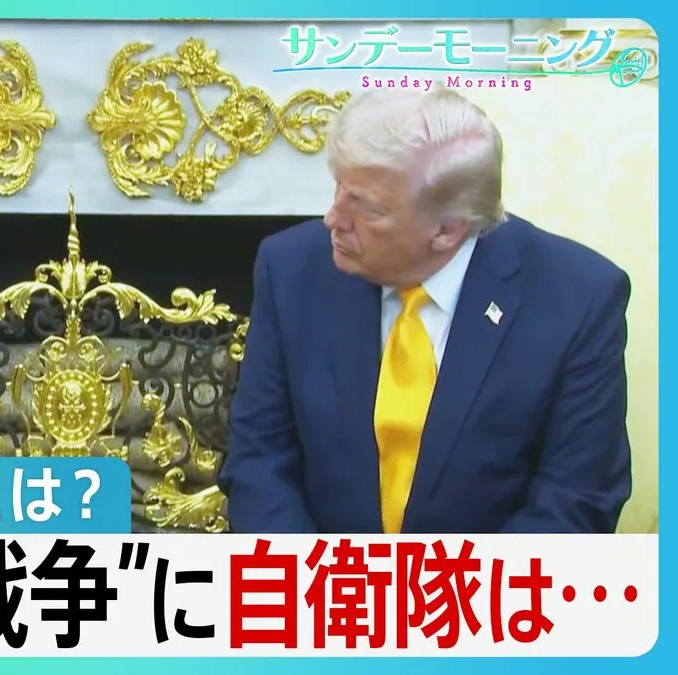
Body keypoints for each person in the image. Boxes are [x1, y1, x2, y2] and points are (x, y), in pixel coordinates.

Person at [219, 86, 631, 534]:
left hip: (481, 577)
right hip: (320, 573)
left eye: (367, 208)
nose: (333, 219)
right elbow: (259, 460)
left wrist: (441, 582)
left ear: (447, 230)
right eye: (339, 189)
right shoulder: (290, 270)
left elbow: (575, 502)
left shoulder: (578, 300)